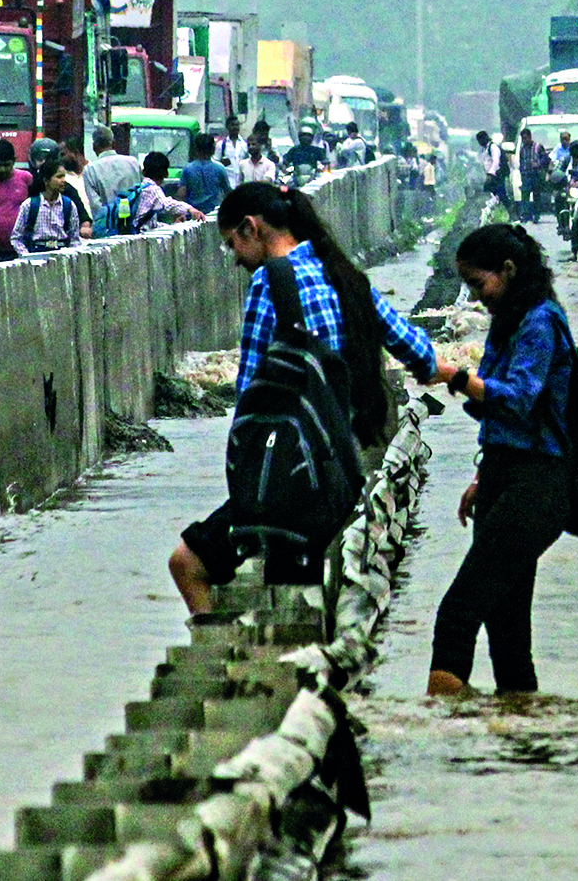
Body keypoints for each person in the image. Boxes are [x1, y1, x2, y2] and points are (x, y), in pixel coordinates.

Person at [169, 183, 438, 614]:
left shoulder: (270, 283)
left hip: (293, 486)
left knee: (186, 563)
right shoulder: (345, 276)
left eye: (231, 244)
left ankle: (220, 649)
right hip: (343, 477)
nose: (235, 257)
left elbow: (249, 399)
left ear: (251, 228)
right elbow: (420, 354)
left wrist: (249, 493)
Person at [425, 223, 571, 696]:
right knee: (507, 638)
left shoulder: (541, 323)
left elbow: (520, 399)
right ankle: (521, 729)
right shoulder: (508, 322)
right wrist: (481, 479)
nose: (474, 296)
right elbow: (495, 414)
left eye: (477, 283)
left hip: (538, 485)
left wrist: (455, 376)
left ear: (508, 270)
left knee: (458, 613)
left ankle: (440, 730)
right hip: (501, 476)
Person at [9, 158, 89, 253]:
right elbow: (16, 238)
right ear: (46, 180)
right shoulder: (29, 205)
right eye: (59, 177)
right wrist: (26, 256)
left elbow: (74, 239)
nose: (64, 180)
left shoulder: (69, 205)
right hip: (36, 253)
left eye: (64, 176)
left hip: (62, 253)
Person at [122, 151, 205, 231]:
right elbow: (167, 205)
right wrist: (190, 209)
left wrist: (173, 225)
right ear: (166, 174)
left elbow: (151, 224)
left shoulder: (141, 187)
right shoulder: (153, 189)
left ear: (143, 171)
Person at [81, 126, 144, 212]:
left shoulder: (90, 170)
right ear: (114, 144)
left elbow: (96, 206)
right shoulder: (133, 163)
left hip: (108, 219)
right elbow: (142, 195)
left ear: (94, 147)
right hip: (135, 219)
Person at [176, 133, 232, 215]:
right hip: (213, 214)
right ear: (213, 149)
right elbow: (227, 192)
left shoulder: (187, 169)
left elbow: (181, 194)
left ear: (196, 149)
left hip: (194, 214)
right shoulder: (220, 168)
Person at [517, 128, 548, 224]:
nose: (525, 141)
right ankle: (526, 215)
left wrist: (538, 164)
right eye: (523, 139)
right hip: (526, 176)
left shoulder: (538, 147)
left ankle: (536, 215)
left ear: (530, 137)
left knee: (536, 195)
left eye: (526, 138)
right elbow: (521, 162)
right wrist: (522, 174)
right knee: (525, 196)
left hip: (536, 175)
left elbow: (545, 159)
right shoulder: (522, 149)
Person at [476, 131, 507, 201]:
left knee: (500, 194)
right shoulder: (484, 149)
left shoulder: (493, 147)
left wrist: (491, 174)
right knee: (492, 194)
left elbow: (496, 161)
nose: (480, 142)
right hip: (489, 176)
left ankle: (508, 206)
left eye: (481, 140)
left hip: (497, 175)